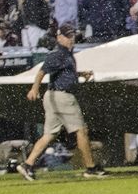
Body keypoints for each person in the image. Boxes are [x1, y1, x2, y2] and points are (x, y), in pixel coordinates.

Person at [18, 24, 105, 180]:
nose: (71, 39)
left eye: (72, 36)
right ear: (59, 37)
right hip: (62, 97)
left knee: (49, 135)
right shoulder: (58, 54)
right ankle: (90, 168)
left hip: (54, 97)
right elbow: (41, 72)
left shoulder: (65, 54)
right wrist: (34, 89)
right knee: (81, 131)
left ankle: (27, 165)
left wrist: (79, 74)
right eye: (68, 36)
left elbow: (63, 72)